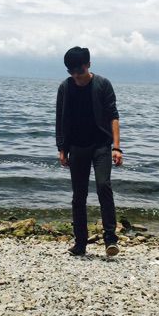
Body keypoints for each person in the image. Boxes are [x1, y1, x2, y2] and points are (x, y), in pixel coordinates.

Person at [55, 46, 123, 257]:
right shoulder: (65, 88)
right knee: (79, 195)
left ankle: (110, 239)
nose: (76, 75)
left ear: (88, 65)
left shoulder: (103, 84)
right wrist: (61, 148)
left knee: (103, 186)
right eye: (71, 71)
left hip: (101, 145)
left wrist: (117, 147)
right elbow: (60, 119)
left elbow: (113, 116)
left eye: (80, 70)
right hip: (77, 146)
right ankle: (80, 243)